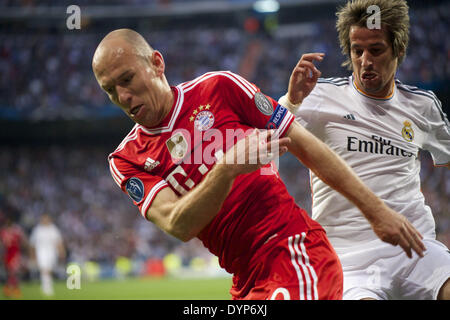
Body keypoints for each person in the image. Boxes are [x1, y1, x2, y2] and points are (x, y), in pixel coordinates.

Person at [92, 28, 425, 300]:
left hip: (292, 252)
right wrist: (226, 167)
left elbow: (305, 146)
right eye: (110, 91)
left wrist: (377, 212)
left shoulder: (219, 87)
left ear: (156, 63)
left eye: (127, 79)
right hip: (245, 280)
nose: (122, 97)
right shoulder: (126, 159)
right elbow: (178, 224)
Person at [279, 0, 450, 300]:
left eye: (376, 49)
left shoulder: (423, 106)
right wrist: (291, 102)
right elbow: (264, 148)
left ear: (398, 49)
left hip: (416, 250)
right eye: (357, 51)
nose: (365, 60)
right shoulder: (319, 97)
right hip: (346, 259)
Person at [30, 214, 66, 296]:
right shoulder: (37, 230)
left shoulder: (53, 229)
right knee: (44, 268)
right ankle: (47, 287)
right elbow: (32, 244)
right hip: (41, 251)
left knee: (49, 269)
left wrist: (61, 251)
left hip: (52, 252)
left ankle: (46, 284)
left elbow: (58, 241)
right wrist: (33, 255)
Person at [0, 214, 28, 299]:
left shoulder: (15, 231)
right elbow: (1, 244)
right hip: (8, 254)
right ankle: (12, 290)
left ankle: (11, 290)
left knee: (13, 273)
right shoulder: (3, 232)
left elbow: (23, 241)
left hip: (15, 254)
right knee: (10, 274)